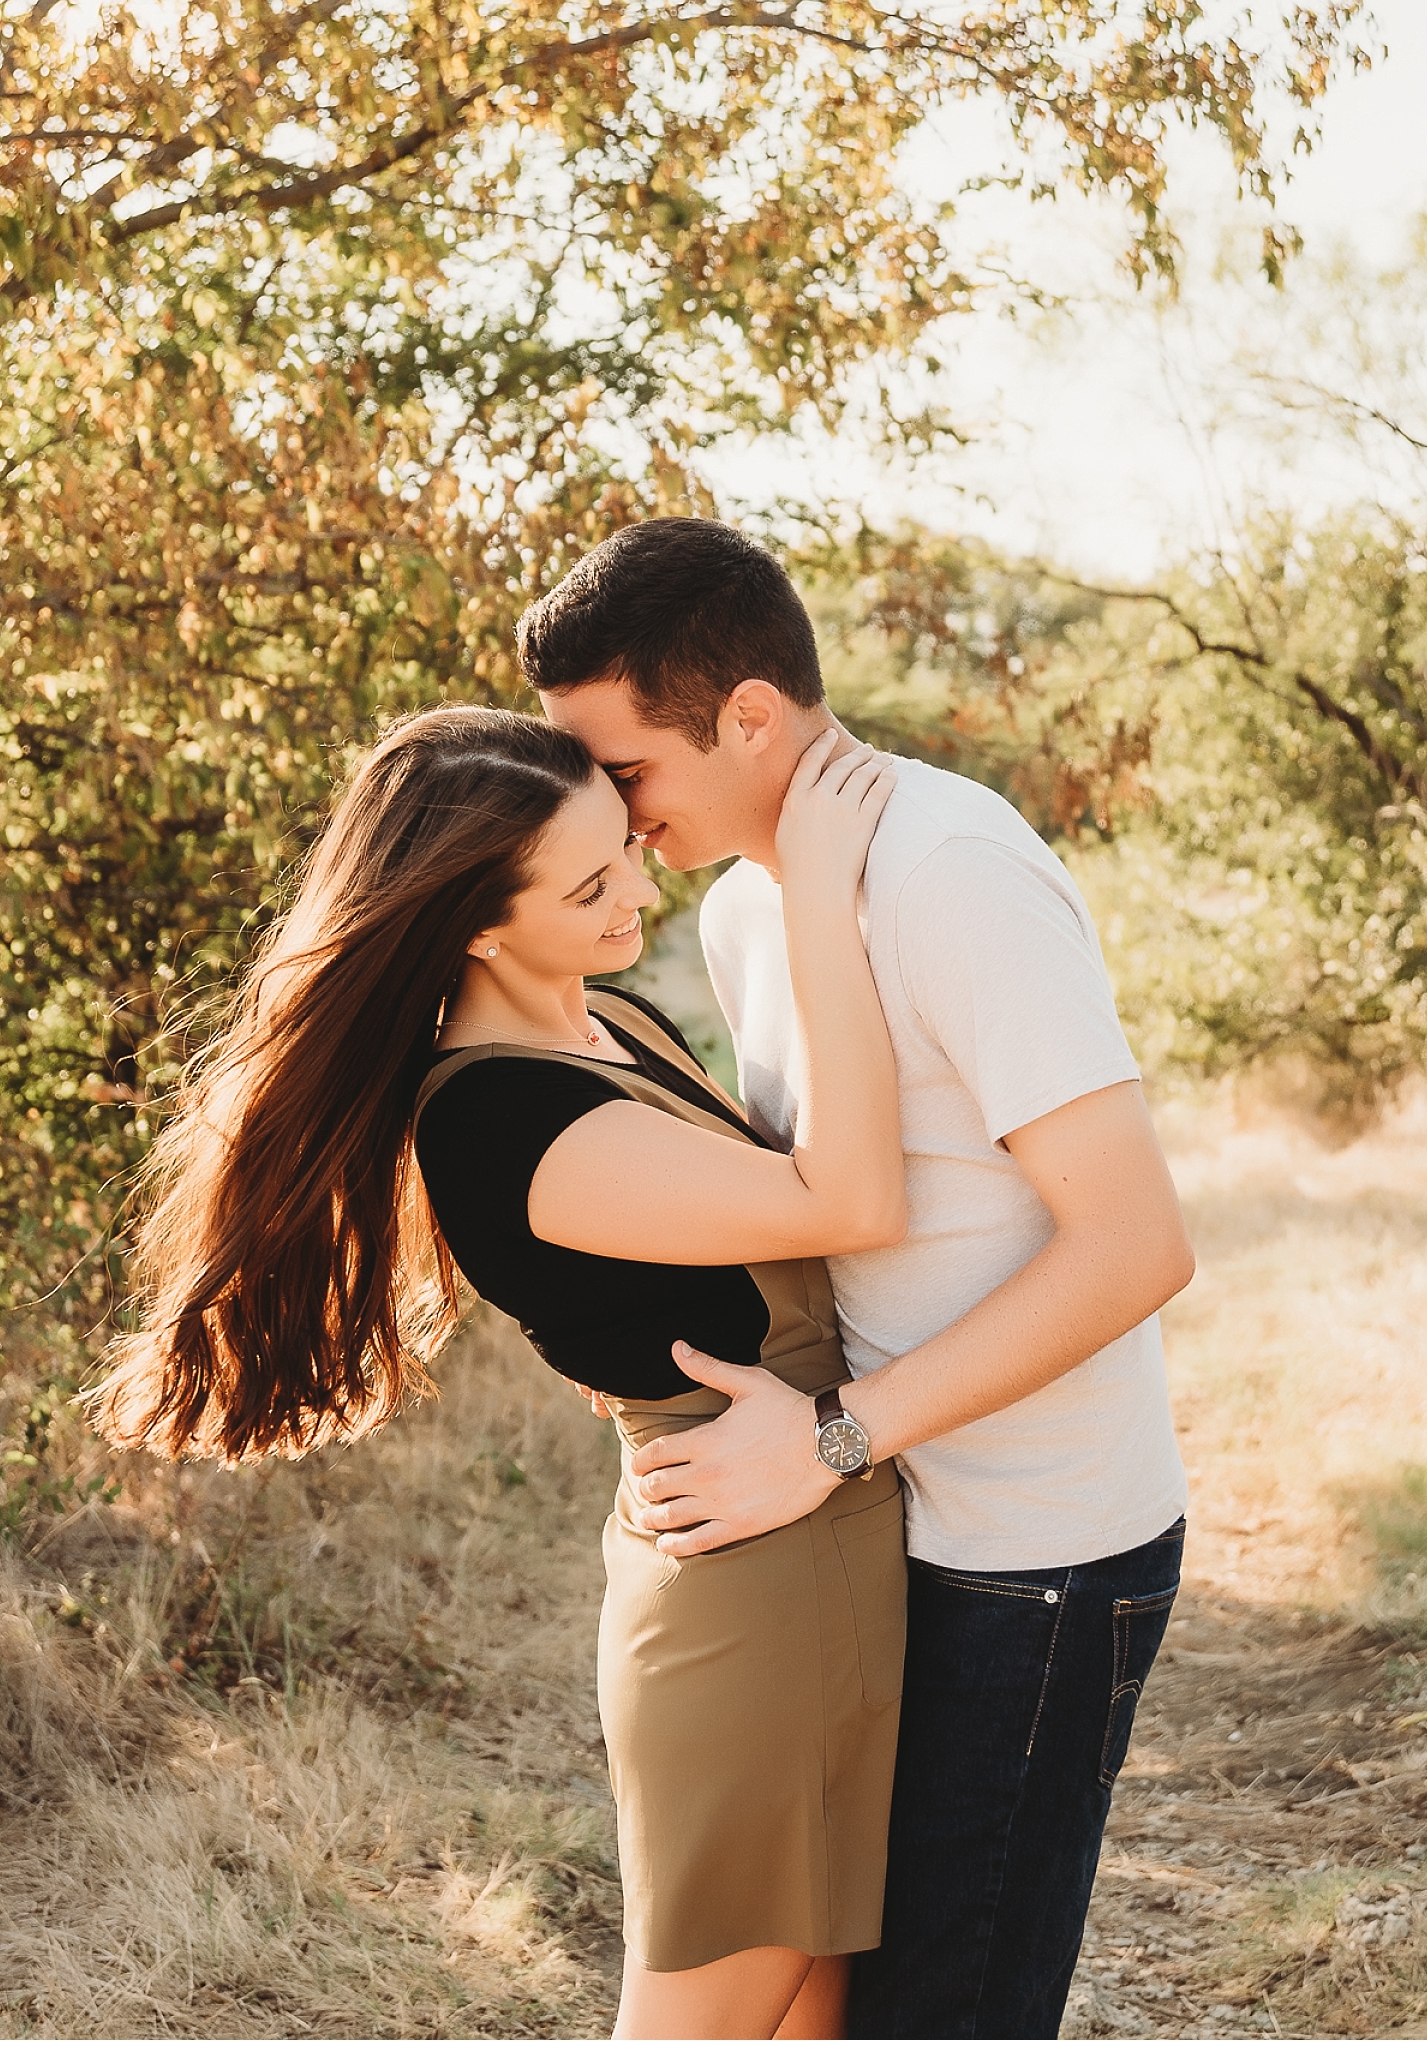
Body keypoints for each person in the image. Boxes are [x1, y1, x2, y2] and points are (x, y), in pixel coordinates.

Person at [89, 704, 912, 2041]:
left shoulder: (620, 1026)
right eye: (589, 886)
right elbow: (851, 1199)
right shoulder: (496, 1118)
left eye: (629, 853)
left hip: (810, 1542)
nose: (638, 891)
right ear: (474, 921)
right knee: (711, 2016)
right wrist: (813, 888)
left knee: (813, 2012)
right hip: (748, 1597)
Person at [522, 517, 1198, 2041]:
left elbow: (1136, 1243)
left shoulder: (950, 871)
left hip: (1031, 1552)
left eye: (624, 771)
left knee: (941, 2019)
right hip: (878, 1527)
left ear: (748, 717)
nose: (608, 822)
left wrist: (830, 1437)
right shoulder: (762, 904)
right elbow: (816, 1203)